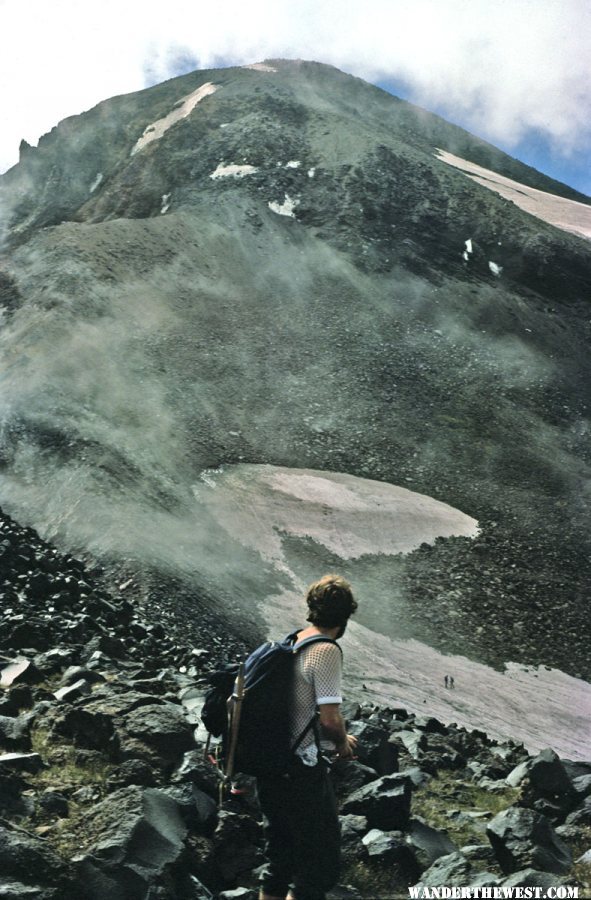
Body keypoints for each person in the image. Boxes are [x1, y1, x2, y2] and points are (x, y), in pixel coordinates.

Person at [257, 574, 358, 900]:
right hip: (299, 768)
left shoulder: (294, 640)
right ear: (345, 616)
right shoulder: (325, 650)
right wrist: (342, 742)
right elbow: (330, 719)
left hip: (269, 762)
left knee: (281, 857)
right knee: (319, 862)